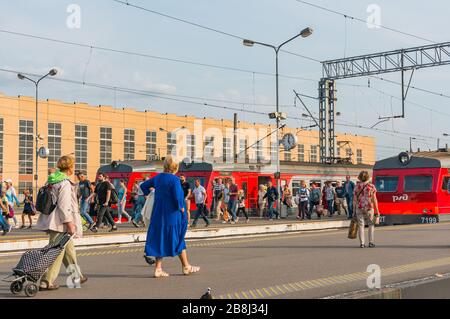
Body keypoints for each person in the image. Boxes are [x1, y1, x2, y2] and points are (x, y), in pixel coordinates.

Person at [140, 156, 199, 278]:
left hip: (158, 214)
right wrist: (181, 207)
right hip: (172, 214)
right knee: (178, 237)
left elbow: (144, 186)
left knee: (159, 238)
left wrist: (149, 194)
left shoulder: (158, 177)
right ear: (176, 167)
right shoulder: (174, 180)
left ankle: (158, 268)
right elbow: (178, 196)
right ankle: (186, 266)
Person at [36, 155, 87, 290]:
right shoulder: (64, 182)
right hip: (60, 223)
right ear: (70, 167)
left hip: (52, 219)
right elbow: (65, 205)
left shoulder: (52, 180)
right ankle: (46, 281)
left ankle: (76, 276)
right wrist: (69, 222)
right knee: (56, 252)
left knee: (68, 250)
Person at [353, 171, 380, 248]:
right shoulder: (371, 186)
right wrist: (377, 211)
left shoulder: (356, 187)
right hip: (369, 208)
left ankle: (362, 244)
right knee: (371, 225)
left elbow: (354, 200)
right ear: (368, 177)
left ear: (360, 177)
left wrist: (353, 211)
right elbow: (374, 199)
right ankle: (371, 242)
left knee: (361, 225)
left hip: (359, 208)